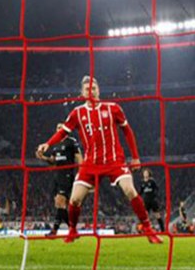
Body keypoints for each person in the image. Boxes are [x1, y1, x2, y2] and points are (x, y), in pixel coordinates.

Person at [36, 75, 162, 244]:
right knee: (74, 199)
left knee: (130, 190)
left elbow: (127, 131)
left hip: (114, 160)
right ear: (82, 93)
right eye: (87, 89)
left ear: (98, 90)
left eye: (94, 88)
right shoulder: (77, 113)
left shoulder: (113, 108)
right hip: (91, 163)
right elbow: (63, 132)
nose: (91, 92)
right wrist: (48, 143)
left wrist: (135, 157)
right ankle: (72, 230)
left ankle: (148, 229)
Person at [36, 126, 82, 237]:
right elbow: (53, 161)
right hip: (57, 175)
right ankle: (72, 229)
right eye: (57, 128)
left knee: (61, 201)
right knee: (59, 204)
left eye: (61, 128)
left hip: (67, 174)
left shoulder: (71, 141)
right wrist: (43, 157)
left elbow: (79, 157)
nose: (58, 129)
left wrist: (81, 173)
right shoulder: (55, 144)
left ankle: (55, 231)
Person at [140, 168, 164, 233]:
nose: (145, 174)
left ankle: (163, 230)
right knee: (145, 216)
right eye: (144, 173)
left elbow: (157, 188)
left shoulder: (152, 181)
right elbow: (141, 191)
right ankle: (144, 230)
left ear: (149, 174)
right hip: (146, 201)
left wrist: (154, 195)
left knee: (157, 215)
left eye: (146, 173)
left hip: (153, 201)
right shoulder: (142, 182)